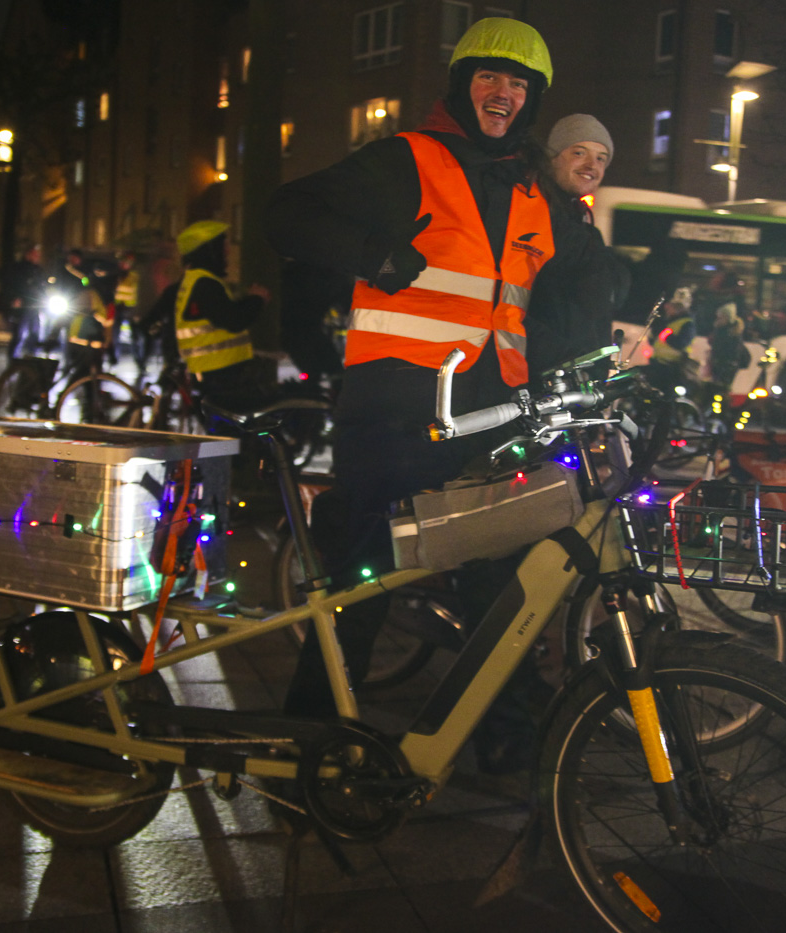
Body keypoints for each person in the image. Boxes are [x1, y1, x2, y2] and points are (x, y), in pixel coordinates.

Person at [265, 18, 621, 769]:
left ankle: (503, 735)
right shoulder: (408, 162)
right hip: (395, 411)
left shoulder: (531, 187)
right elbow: (287, 214)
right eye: (491, 78)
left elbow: (580, 280)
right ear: (463, 86)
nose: (505, 93)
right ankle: (310, 738)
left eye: (520, 85)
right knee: (364, 585)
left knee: (504, 582)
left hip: (488, 414)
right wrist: (373, 253)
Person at [527, 112, 626, 373]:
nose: (591, 165)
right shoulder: (532, 216)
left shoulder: (585, 230)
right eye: (579, 153)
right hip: (542, 377)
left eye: (601, 158)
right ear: (552, 158)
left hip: (577, 381)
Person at [145, 220, 272, 410]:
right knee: (235, 433)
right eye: (223, 245)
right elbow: (233, 320)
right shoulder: (205, 284)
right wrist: (257, 299)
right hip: (221, 376)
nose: (228, 251)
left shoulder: (195, 280)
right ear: (210, 249)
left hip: (210, 373)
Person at [1, 243, 44, 359]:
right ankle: (13, 360)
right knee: (19, 335)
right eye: (34, 255)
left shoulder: (37, 270)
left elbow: (41, 287)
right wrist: (13, 300)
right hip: (23, 307)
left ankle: (32, 359)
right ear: (28, 255)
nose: (37, 257)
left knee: (35, 334)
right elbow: (12, 285)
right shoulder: (19, 269)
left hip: (34, 306)